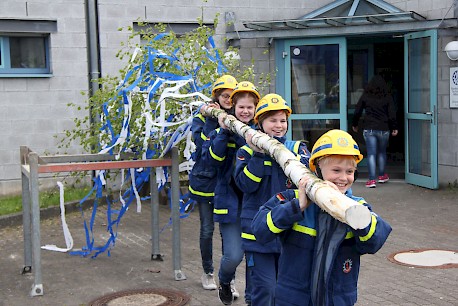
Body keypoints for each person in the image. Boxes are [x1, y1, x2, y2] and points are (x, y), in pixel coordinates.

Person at [252, 129, 392, 306]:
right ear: (317, 168)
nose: (343, 178)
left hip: (336, 300)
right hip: (294, 300)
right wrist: (297, 206)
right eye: (336, 170)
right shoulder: (291, 199)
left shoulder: (356, 206)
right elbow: (260, 230)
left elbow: (374, 242)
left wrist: (353, 214)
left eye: (350, 171)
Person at [234, 93, 310, 306]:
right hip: (258, 236)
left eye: (282, 120)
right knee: (266, 290)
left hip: (289, 233)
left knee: (284, 292)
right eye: (272, 120)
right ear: (260, 123)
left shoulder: (297, 150)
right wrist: (259, 155)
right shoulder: (246, 151)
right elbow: (245, 185)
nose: (278, 126)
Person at [201, 81, 261, 305]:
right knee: (234, 255)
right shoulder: (220, 131)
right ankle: (225, 280)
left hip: (255, 203)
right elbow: (212, 161)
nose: (245, 111)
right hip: (230, 202)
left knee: (256, 257)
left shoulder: (261, 133)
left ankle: (253, 298)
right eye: (241, 107)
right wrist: (224, 134)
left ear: (255, 109)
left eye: (249, 107)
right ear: (233, 108)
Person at [189, 74, 238, 290]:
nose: (228, 99)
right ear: (216, 96)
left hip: (227, 185)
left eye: (232, 96)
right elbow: (201, 144)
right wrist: (212, 118)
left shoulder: (237, 119)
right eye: (224, 95)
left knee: (226, 233)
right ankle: (207, 272)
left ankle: (229, 277)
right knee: (207, 230)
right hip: (205, 184)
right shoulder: (202, 117)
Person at [352, 75, 398, 188]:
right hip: (384, 129)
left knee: (371, 154)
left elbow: (357, 110)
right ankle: (382, 176)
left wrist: (354, 124)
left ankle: (372, 180)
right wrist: (394, 127)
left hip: (369, 128)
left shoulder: (366, 96)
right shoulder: (387, 97)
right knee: (382, 152)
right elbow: (392, 114)